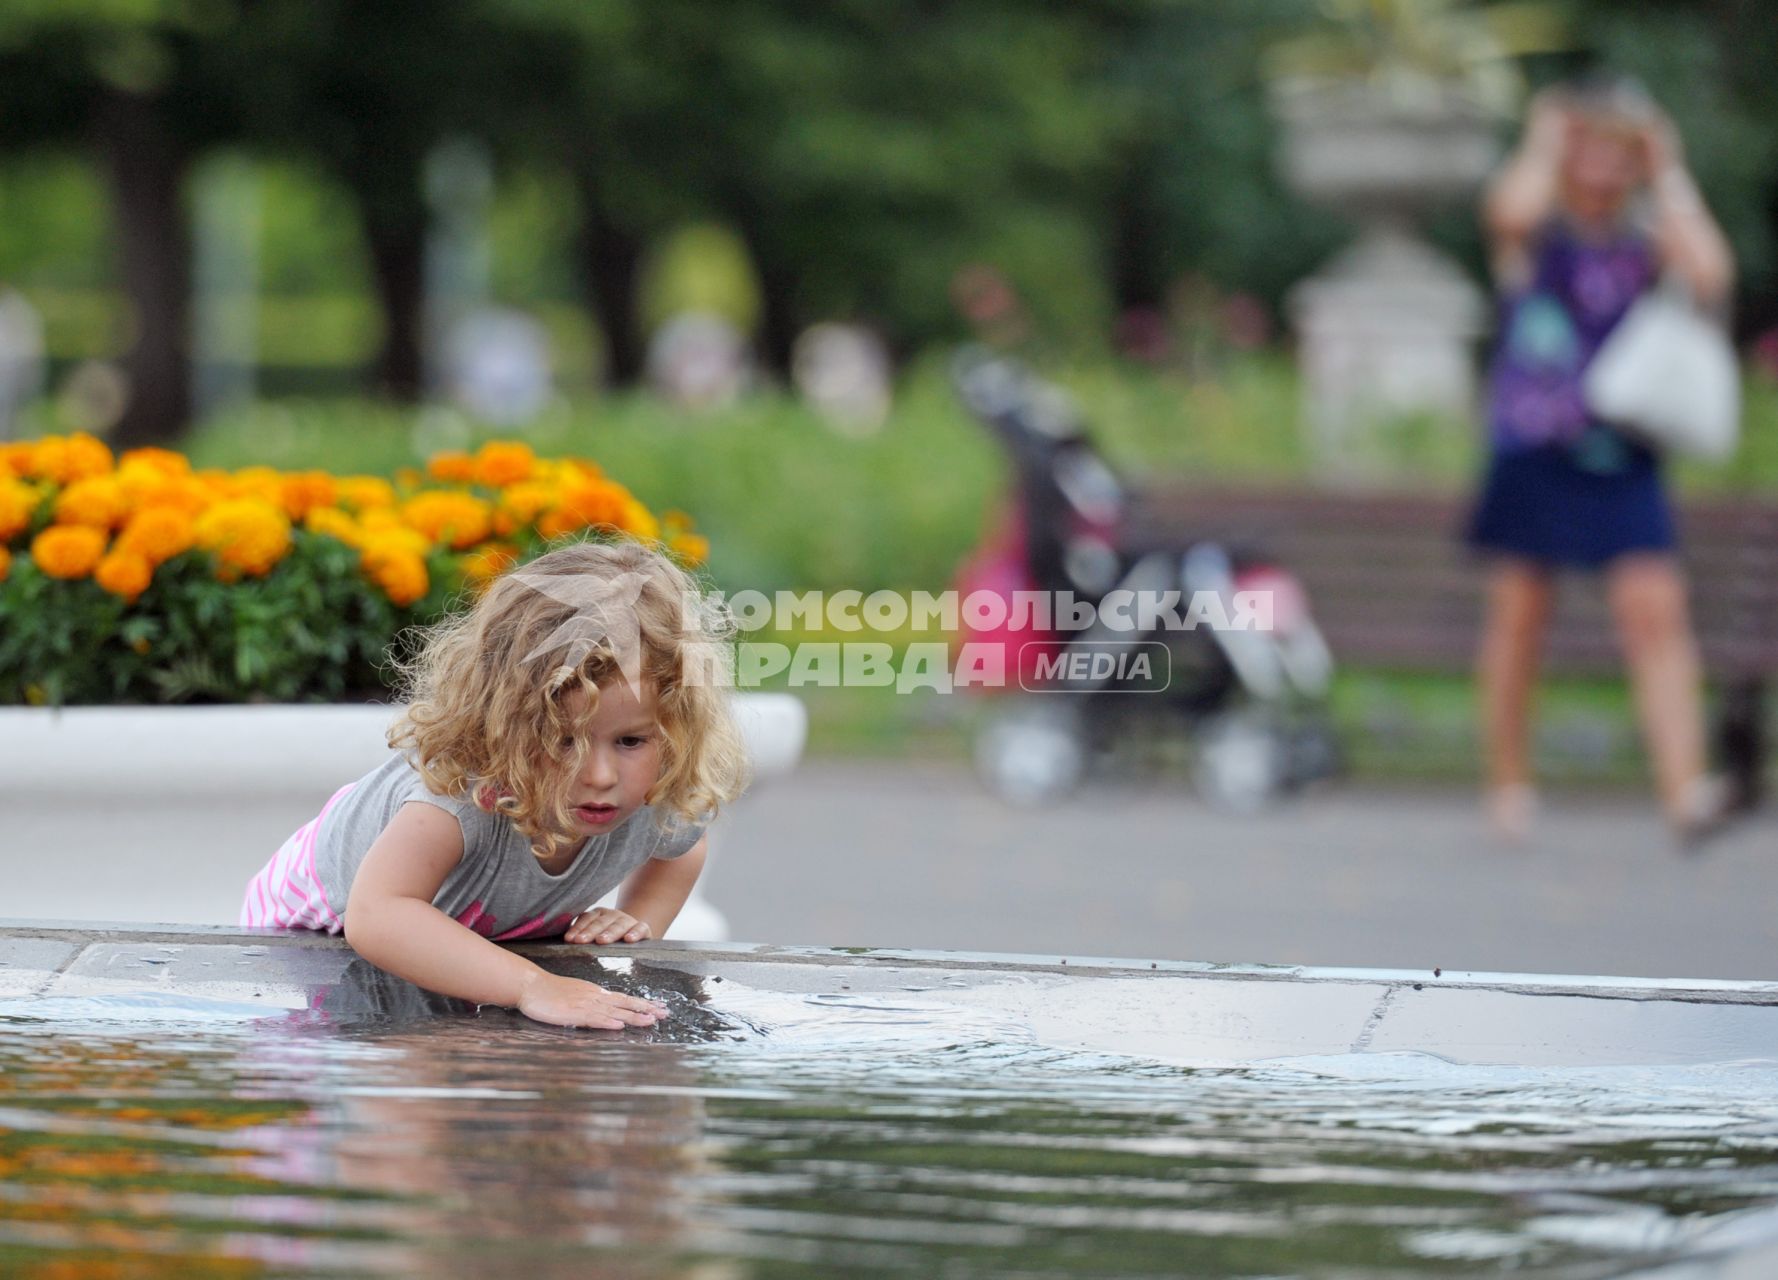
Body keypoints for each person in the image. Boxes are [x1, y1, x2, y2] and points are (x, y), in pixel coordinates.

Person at [240, 538, 750, 1028]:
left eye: (631, 742)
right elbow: (377, 916)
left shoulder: (660, 789)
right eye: (562, 742)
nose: (600, 776)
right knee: (373, 1065)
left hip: (476, 926)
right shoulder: (458, 799)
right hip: (315, 931)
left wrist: (637, 920)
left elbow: (683, 844)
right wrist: (531, 985)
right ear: (503, 725)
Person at [1467, 77, 1737, 844]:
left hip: (1623, 453)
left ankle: (1685, 791)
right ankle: (1508, 783)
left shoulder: (1648, 234)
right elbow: (1507, 208)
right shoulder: (1537, 227)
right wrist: (1545, 139)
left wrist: (1669, 169)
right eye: (1592, 149)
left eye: (1620, 153)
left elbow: (1712, 273)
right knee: (1519, 620)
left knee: (1656, 613)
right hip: (1534, 446)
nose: (1601, 169)